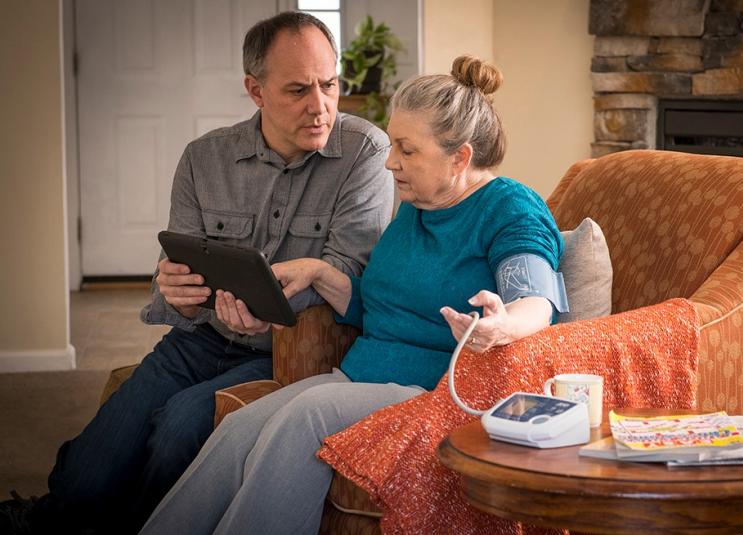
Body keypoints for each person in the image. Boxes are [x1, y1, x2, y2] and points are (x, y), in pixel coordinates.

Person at [138, 55, 568, 535]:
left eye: (406, 150)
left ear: (460, 157)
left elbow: (537, 301)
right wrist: (321, 272)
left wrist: (500, 326)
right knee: (239, 429)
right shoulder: (418, 206)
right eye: (392, 144)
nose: (390, 162)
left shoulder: (510, 207)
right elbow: (383, 303)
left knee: (306, 415)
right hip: (365, 375)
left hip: (436, 390)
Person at [0, 12, 393, 535]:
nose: (320, 106)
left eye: (328, 84)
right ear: (254, 90)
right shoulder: (204, 158)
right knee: (82, 479)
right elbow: (178, 275)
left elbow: (349, 272)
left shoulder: (365, 152)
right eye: (298, 90)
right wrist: (176, 293)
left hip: (293, 352)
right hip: (199, 339)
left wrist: (267, 309)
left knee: (177, 431)